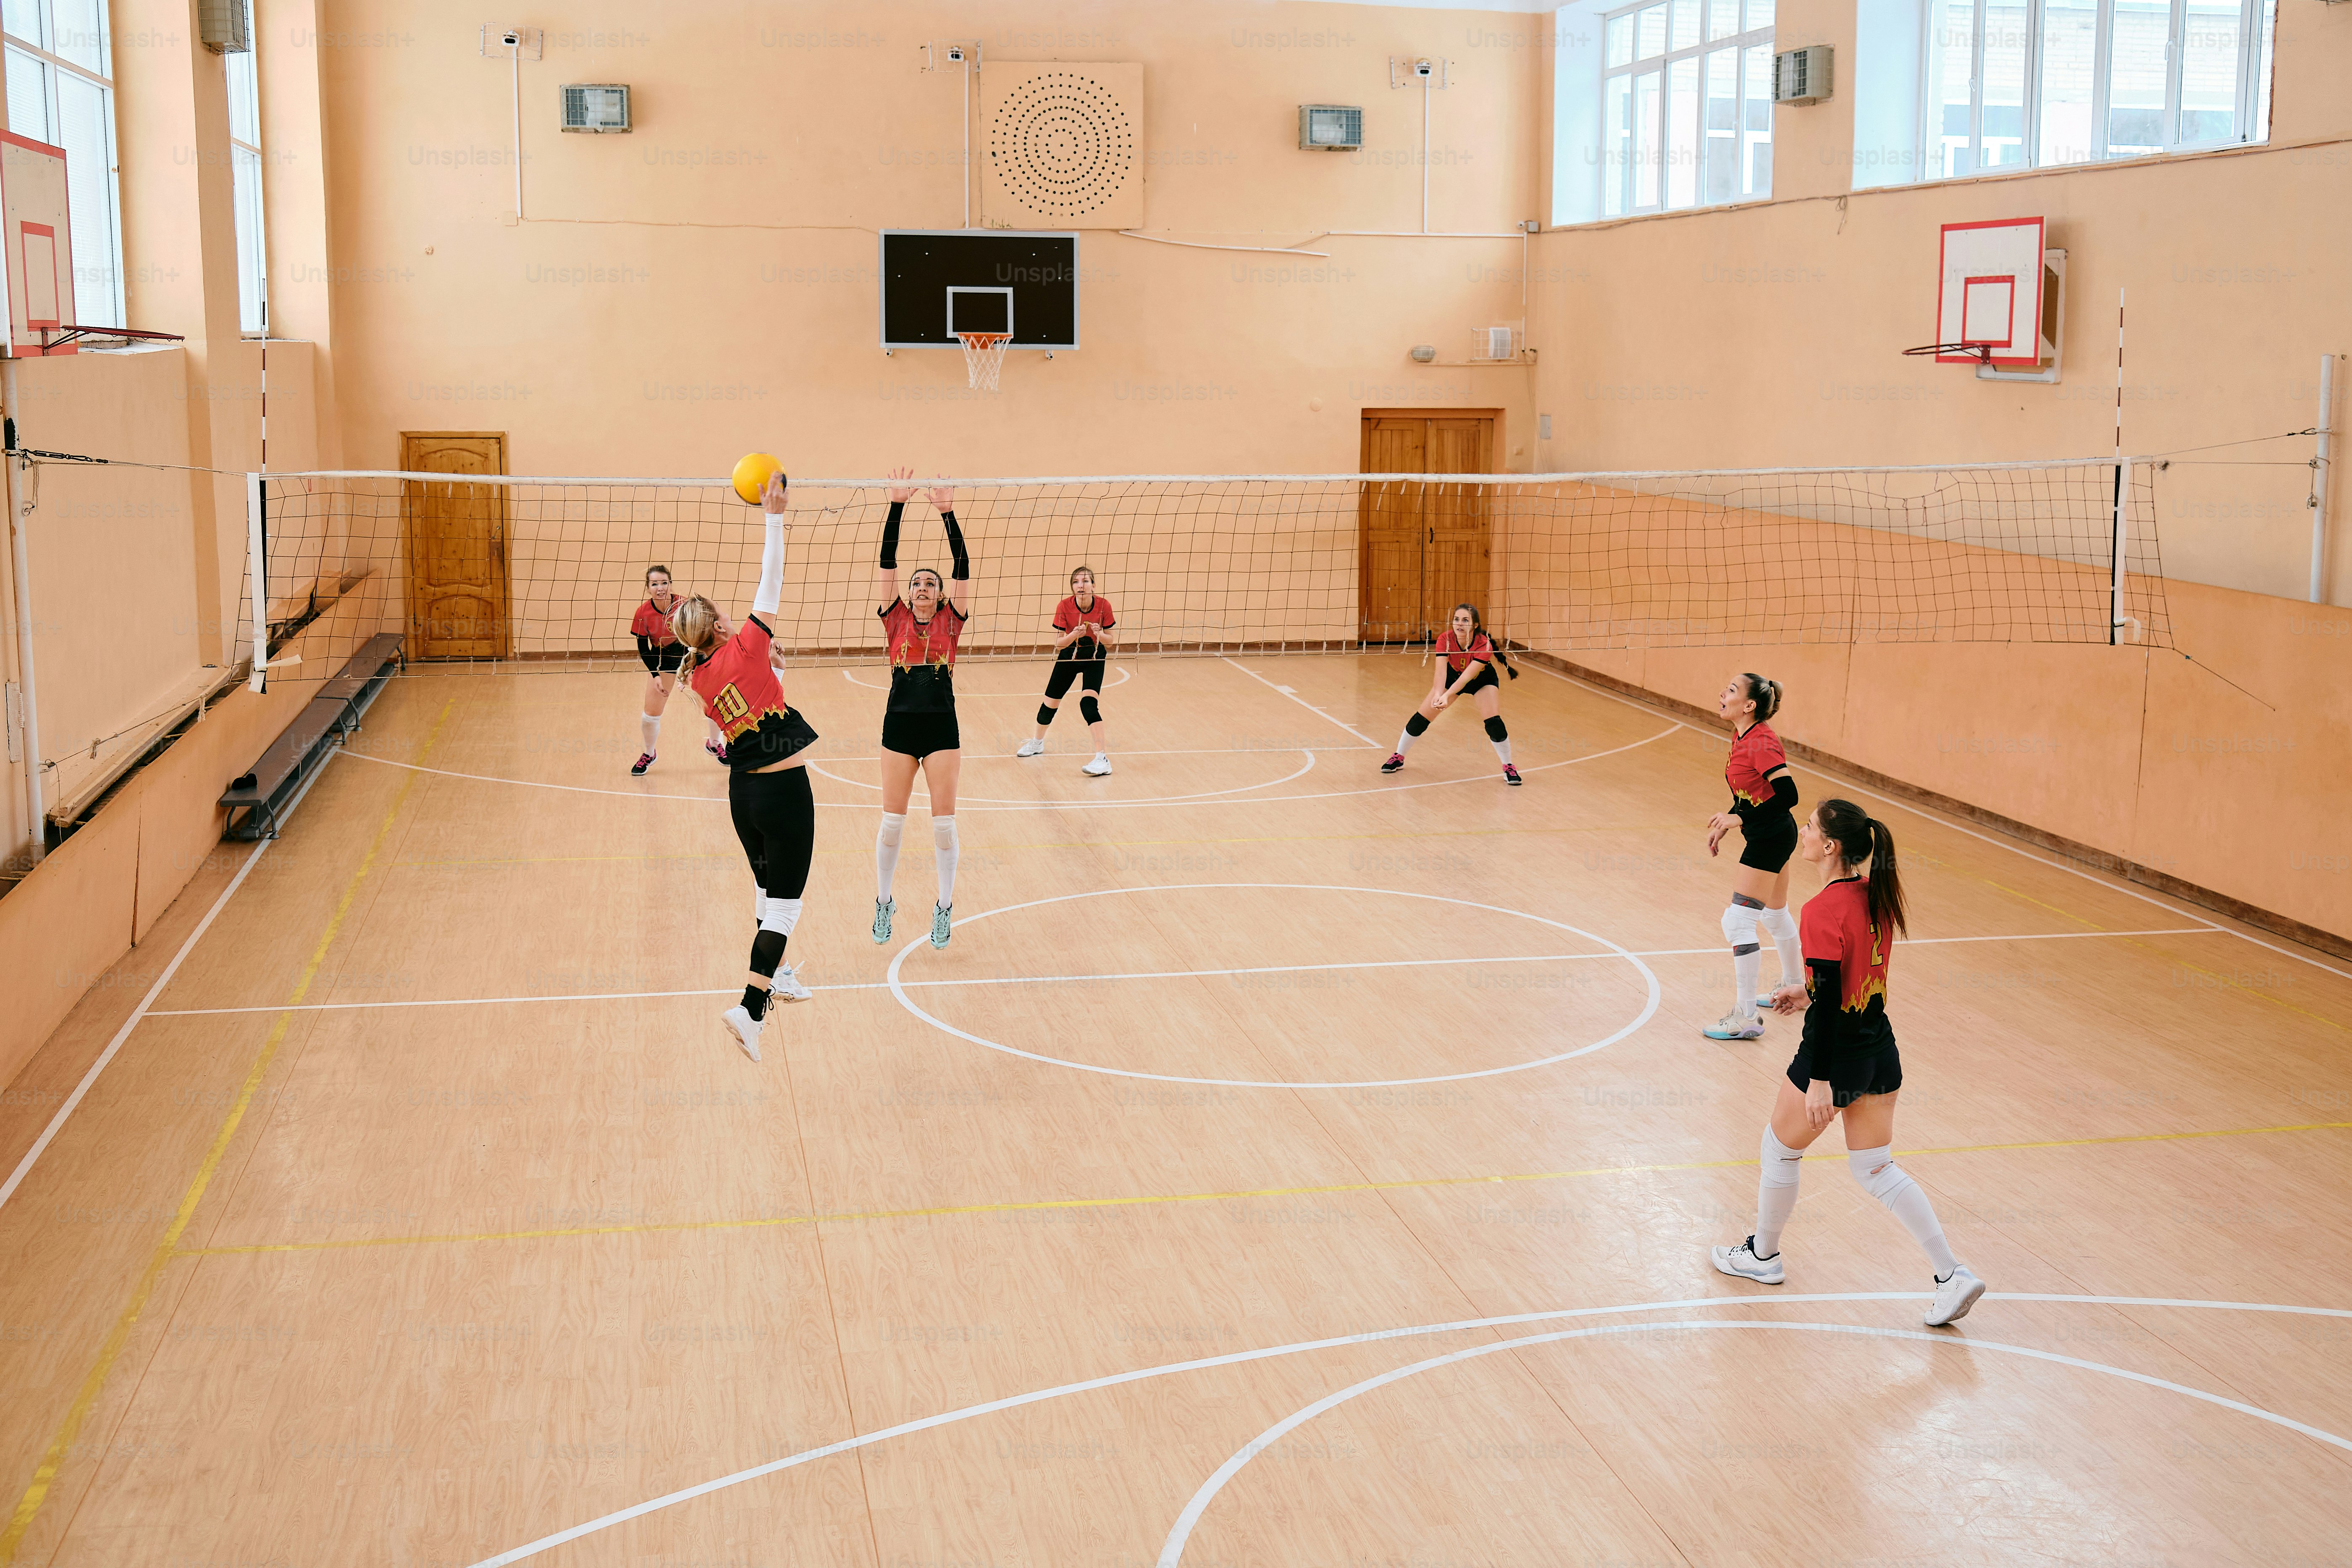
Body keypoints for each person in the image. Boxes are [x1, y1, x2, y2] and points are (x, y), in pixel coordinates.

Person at [1711, 798, 1987, 1328]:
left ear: (1830, 847)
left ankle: (1762, 1256)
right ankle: (1950, 1273)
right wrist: (1804, 989)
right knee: (1876, 1167)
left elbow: (1833, 1004)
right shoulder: (1876, 897)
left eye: (1810, 828)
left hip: (1835, 1056)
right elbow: (1847, 983)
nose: (1803, 832)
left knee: (1778, 1149)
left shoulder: (1819, 910)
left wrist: (1818, 1080)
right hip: (1878, 1050)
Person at [668, 473, 820, 1062]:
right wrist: (774, 516)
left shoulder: (699, 676)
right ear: (721, 625)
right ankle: (751, 1008)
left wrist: (773, 667)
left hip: (743, 798)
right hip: (783, 794)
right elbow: (772, 578)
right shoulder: (745, 646)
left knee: (765, 891)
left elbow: (761, 700)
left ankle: (776, 976)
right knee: (785, 907)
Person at [871, 468, 970, 951]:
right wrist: (897, 505)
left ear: (941, 594)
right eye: (917, 584)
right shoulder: (894, 621)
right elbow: (887, 561)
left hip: (942, 729)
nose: (924, 587)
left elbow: (963, 567)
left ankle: (944, 907)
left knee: (944, 824)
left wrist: (947, 513)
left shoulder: (952, 622)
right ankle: (884, 901)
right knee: (892, 822)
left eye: (931, 583)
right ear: (908, 593)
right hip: (899, 727)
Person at [1701, 673, 1803, 1040]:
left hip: (1771, 837)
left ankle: (1745, 1017)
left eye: (1730, 690)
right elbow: (1752, 793)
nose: (1722, 694)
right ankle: (1796, 987)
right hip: (1770, 832)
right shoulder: (1742, 736)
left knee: (1738, 922)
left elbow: (1788, 795)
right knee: (1775, 915)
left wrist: (1739, 818)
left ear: (1749, 705)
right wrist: (1731, 819)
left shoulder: (1761, 742)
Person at [1379, 603, 1521, 784]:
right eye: (1456, 620)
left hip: (1481, 680)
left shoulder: (1484, 645)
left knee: (1494, 723)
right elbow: (1440, 672)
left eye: (1465, 620)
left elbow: (1468, 677)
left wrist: (1448, 696)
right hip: (1452, 675)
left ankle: (1508, 767)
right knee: (1421, 718)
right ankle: (1399, 757)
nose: (1459, 624)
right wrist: (1439, 694)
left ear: (1475, 625)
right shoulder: (1445, 639)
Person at [628, 565, 727, 775]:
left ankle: (714, 744)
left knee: (714, 701)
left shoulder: (684, 605)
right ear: (648, 588)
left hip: (692, 653)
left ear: (670, 584)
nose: (660, 588)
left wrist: (692, 666)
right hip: (663, 660)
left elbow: (700, 634)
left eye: (664, 583)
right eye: (655, 584)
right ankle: (649, 753)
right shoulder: (643, 613)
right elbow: (643, 649)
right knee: (650, 715)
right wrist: (655, 676)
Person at [1017, 565, 1114, 775]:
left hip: (1095, 658)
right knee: (1049, 705)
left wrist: (1099, 634)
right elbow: (1059, 644)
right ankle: (1037, 743)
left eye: (1086, 581)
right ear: (1072, 587)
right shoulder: (1064, 606)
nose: (1081, 586)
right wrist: (1074, 635)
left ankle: (1102, 759)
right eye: (1077, 582)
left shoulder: (1104, 605)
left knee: (1088, 705)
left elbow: (1111, 640)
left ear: (1093, 585)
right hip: (1069, 657)